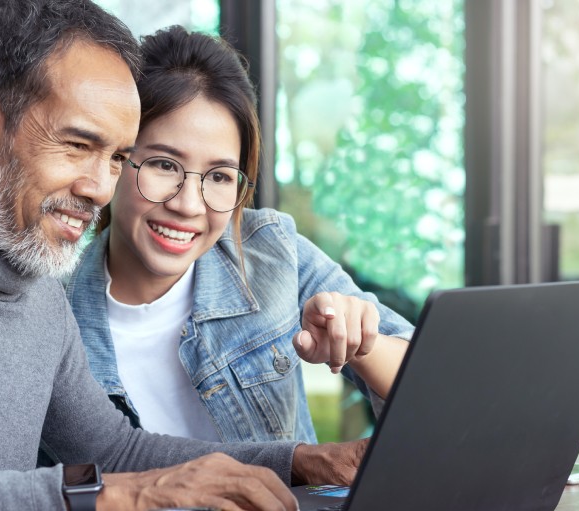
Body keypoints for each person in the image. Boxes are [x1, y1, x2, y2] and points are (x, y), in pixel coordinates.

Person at [0, 2, 367, 510]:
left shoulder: (35, 295)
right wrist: (119, 495)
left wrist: (301, 460)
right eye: (78, 145)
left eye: (118, 158)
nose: (101, 188)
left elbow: (115, 451)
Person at [65, 25, 415, 445]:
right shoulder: (54, 313)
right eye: (164, 165)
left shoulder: (270, 251)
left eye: (218, 176)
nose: (189, 205)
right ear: (117, 159)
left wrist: (361, 344)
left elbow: (433, 388)